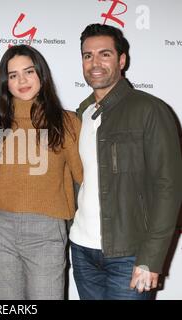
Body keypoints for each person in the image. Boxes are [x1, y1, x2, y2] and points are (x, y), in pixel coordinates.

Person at [69, 23, 182, 300]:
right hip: (82, 251)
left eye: (104, 54)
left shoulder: (150, 110)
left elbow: (169, 187)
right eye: (87, 55)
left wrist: (150, 259)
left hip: (130, 254)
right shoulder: (80, 114)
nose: (95, 63)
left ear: (122, 60)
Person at [0, 44, 83, 300]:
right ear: (6, 83)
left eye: (29, 72)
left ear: (42, 75)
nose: (22, 80)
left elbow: (83, 177)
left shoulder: (67, 122)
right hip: (1, 229)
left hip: (47, 229)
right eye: (14, 75)